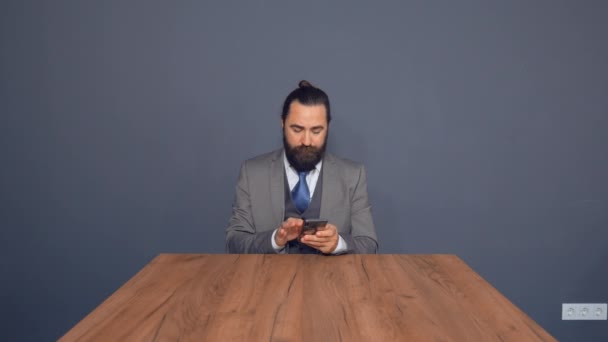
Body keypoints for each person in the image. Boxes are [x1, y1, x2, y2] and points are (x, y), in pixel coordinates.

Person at [226, 80, 378, 254]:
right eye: (297, 130)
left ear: (328, 127)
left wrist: (338, 244)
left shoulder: (353, 175)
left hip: (331, 280)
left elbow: (369, 244)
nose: (306, 141)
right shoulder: (252, 173)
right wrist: (275, 239)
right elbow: (234, 242)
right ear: (282, 124)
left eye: (316, 131)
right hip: (268, 279)